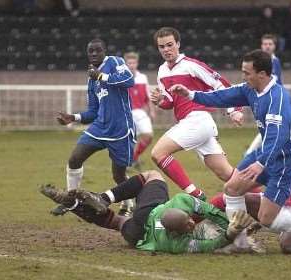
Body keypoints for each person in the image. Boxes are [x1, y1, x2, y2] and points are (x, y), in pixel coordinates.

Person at [169, 49, 291, 254]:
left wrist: (261, 163)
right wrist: (191, 94)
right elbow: (224, 96)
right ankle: (240, 243)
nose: (244, 76)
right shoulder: (251, 89)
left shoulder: (278, 100)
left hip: (283, 162)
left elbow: (278, 137)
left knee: (267, 219)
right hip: (264, 156)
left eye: (247, 73)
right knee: (232, 188)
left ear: (262, 74)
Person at [39, 170, 256, 254]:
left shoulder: (178, 207)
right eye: (189, 225)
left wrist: (230, 225)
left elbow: (205, 215)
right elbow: (209, 243)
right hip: (139, 234)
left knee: (149, 177)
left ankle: (90, 201)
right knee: (114, 220)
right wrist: (229, 231)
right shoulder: (176, 240)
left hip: (148, 222)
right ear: (180, 230)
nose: (192, 224)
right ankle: (81, 205)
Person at [211, 124, 291, 254]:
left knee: (288, 247)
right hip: (278, 207)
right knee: (232, 196)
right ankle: (240, 242)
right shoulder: (288, 160)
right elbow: (264, 178)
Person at [150, 27, 244, 201]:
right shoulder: (162, 71)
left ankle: (196, 194)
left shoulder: (191, 65)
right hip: (193, 124)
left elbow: (221, 84)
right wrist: (159, 101)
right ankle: (266, 197)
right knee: (228, 175)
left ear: (178, 44)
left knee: (158, 153)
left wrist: (234, 110)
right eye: (162, 47)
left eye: (170, 45)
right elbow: (170, 102)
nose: (166, 50)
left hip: (198, 120)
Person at [55, 38, 135, 216]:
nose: (93, 54)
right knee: (75, 159)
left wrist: (101, 76)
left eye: (97, 50)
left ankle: (127, 205)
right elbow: (93, 111)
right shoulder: (91, 80)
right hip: (100, 128)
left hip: (120, 129)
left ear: (104, 51)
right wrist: (73, 117)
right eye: (90, 51)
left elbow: (129, 80)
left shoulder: (115, 62)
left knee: (119, 175)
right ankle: (71, 200)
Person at [244, 34, 283, 155]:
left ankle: (253, 153)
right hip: (263, 98)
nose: (267, 46)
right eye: (265, 44)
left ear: (274, 46)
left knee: (270, 127)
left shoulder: (276, 61)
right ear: (261, 46)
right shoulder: (257, 63)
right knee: (269, 127)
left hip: (274, 98)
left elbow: (278, 80)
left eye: (270, 44)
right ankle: (254, 153)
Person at [124, 52, 155, 170]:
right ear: (126, 64)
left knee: (148, 136)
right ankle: (126, 164)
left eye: (133, 63)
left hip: (141, 112)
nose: (131, 65)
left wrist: (152, 110)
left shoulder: (143, 78)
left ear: (137, 63)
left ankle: (134, 158)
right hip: (126, 113)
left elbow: (147, 96)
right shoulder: (121, 78)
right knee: (128, 140)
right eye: (129, 63)